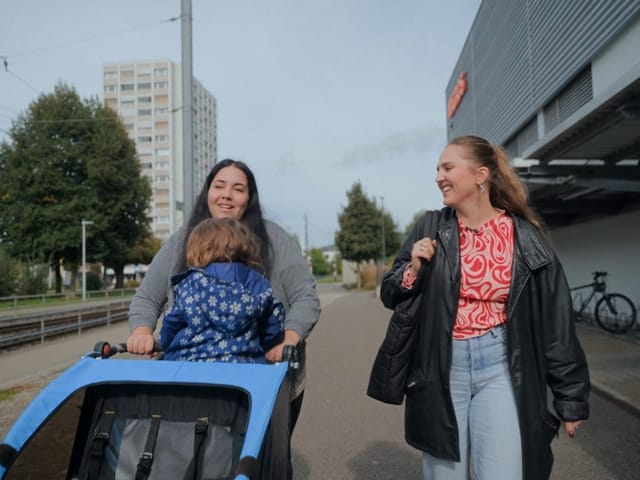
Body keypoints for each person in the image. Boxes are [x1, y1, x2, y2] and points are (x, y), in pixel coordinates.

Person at [380, 135, 589, 480]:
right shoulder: (430, 227)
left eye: (447, 167)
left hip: (502, 367)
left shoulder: (525, 236)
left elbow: (557, 320)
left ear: (480, 175)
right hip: (441, 368)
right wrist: (413, 269)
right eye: (437, 169)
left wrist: (571, 397)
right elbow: (391, 294)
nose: (438, 176)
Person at [127, 159, 321, 477]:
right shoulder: (181, 240)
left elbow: (304, 298)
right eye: (219, 186)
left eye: (238, 188)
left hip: (261, 379)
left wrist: (286, 339)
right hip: (190, 380)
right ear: (208, 193)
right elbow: (148, 298)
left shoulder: (275, 240)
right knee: (187, 460)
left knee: (259, 463)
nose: (226, 195)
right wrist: (143, 331)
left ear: (250, 198)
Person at [158, 217, 285, 363]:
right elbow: (274, 317)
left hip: (190, 366)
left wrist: (163, 342)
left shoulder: (190, 283)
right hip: (244, 364)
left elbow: (172, 320)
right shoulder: (256, 282)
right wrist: (266, 342)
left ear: (198, 250)